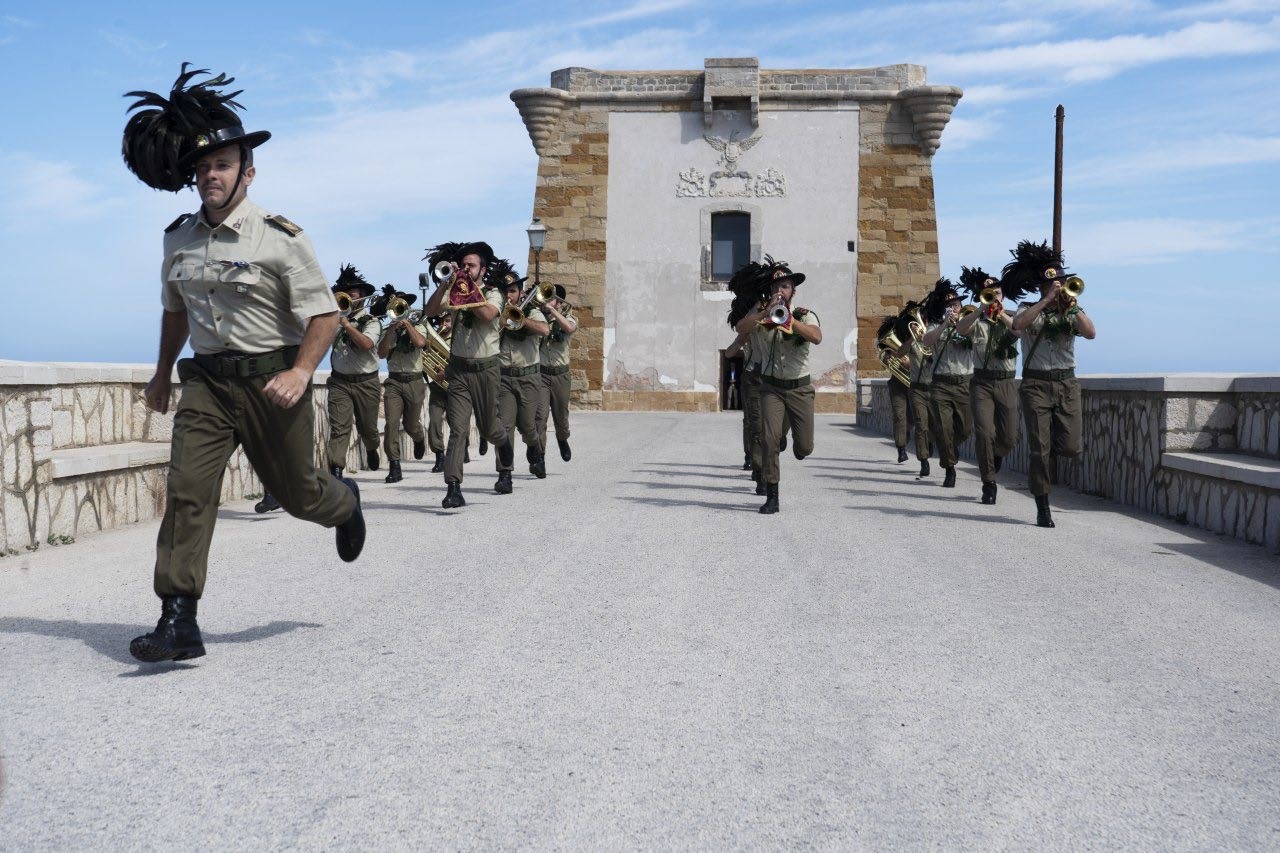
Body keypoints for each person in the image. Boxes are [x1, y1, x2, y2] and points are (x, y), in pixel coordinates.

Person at [122, 64, 364, 663]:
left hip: (271, 382)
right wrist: (160, 374)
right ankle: (179, 618)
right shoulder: (176, 239)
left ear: (246, 173)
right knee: (187, 492)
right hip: (206, 384)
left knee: (300, 495)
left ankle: (345, 503)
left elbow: (326, 317)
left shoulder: (281, 238)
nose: (211, 175)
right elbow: (175, 313)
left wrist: (301, 372)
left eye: (223, 165)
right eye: (203, 167)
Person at [1005, 240, 1097, 528]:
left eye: (1061, 280)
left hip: (1067, 383)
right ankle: (1043, 504)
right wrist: (1045, 301)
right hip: (1036, 384)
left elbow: (1091, 333)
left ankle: (1050, 459)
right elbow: (1018, 326)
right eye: (1053, 283)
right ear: (1042, 286)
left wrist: (1073, 305)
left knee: (1070, 446)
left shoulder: (1070, 311)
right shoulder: (1028, 307)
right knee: (1039, 448)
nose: (1059, 286)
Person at [422, 241, 514, 508]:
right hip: (459, 370)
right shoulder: (454, 290)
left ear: (482, 270)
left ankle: (502, 441)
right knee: (458, 429)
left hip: (486, 369)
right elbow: (430, 312)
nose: (465, 268)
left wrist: (465, 288)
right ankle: (453, 487)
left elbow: (487, 314)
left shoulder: (494, 293)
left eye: (470, 266)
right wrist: (445, 283)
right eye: (462, 265)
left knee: (488, 427)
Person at [735, 259, 821, 514]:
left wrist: (789, 323)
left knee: (805, 447)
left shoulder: (805, 314)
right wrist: (764, 314)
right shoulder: (761, 313)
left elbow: (816, 337)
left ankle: (793, 443)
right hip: (771, 388)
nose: (780, 291)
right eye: (776, 287)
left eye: (785, 286)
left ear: (793, 290)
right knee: (768, 440)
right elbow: (741, 328)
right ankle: (772, 495)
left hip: (800, 389)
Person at [955, 266, 1020, 505]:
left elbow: (1019, 331)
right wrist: (981, 309)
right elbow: (961, 330)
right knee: (984, 433)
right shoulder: (977, 320)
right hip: (981, 382)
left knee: (1009, 437)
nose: (994, 297)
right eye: (990, 293)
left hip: (1006, 381)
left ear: (1004, 296)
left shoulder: (1013, 316)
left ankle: (997, 456)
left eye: (998, 293)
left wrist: (1001, 313)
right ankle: (988, 482)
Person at [495, 266, 550, 492]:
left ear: (520, 293)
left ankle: (535, 449)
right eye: (506, 292)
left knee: (528, 426)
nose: (509, 296)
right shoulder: (496, 314)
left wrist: (520, 320)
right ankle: (505, 474)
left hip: (529, 378)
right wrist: (502, 319)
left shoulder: (532, 311)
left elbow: (545, 330)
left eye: (513, 291)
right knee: (504, 427)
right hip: (504, 379)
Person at [326, 264, 381, 479]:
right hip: (339, 382)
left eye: (353, 295)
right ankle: (336, 471)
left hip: (366, 382)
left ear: (363, 298)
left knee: (368, 429)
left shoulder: (372, 322)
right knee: (339, 429)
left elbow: (366, 344)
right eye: (345, 295)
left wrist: (347, 325)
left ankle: (371, 447)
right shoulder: (333, 322)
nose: (348, 299)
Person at [920, 278, 973, 489]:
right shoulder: (935, 324)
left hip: (965, 383)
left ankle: (950, 448)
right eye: (950, 305)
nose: (954, 307)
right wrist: (944, 324)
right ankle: (949, 468)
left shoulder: (968, 322)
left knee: (966, 429)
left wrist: (960, 323)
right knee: (942, 428)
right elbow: (926, 341)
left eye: (956, 304)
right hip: (941, 383)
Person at [376, 287, 428, 483]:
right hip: (394, 381)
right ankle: (394, 465)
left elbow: (421, 343)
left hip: (414, 381)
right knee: (391, 423)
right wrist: (391, 329)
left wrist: (407, 324)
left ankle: (419, 437)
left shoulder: (419, 325)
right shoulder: (388, 330)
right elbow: (381, 353)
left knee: (410, 425)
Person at [894, 299, 936, 478]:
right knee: (921, 425)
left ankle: (930, 444)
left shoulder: (935, 335)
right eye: (920, 321)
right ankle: (923, 460)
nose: (922, 324)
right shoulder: (912, 341)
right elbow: (899, 353)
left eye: (924, 321)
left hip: (934, 388)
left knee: (935, 426)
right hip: (917, 388)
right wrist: (912, 338)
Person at [536, 285, 577, 463]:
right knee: (540, 417)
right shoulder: (539, 319)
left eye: (550, 298)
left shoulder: (570, 318)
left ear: (559, 302)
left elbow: (568, 328)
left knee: (561, 415)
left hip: (561, 375)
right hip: (541, 374)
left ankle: (562, 438)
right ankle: (540, 457)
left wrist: (552, 309)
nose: (546, 301)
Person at [876, 315, 912, 463]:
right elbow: (884, 352)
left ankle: (904, 437)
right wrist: (887, 358)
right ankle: (901, 449)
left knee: (911, 420)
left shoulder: (916, 334)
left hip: (916, 382)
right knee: (899, 416)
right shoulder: (891, 338)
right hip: (897, 383)